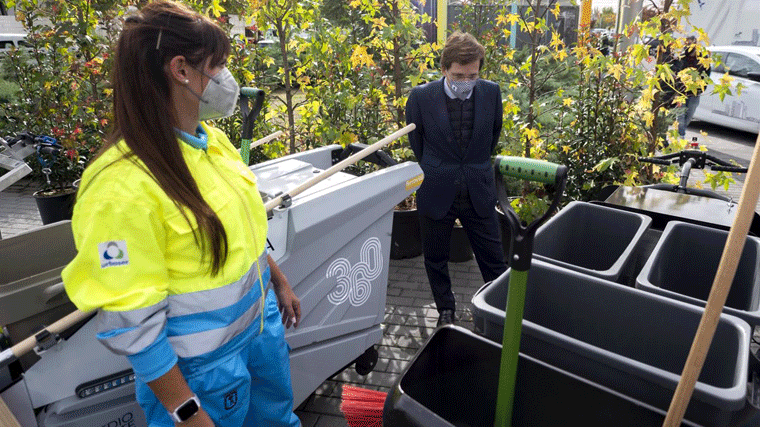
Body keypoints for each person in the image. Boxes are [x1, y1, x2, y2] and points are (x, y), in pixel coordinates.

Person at [61, 2, 301, 426]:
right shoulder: (120, 188)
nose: (227, 79)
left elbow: (242, 232)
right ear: (181, 70)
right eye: (219, 65)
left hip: (258, 339)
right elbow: (131, 324)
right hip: (201, 375)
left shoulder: (211, 142)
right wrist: (187, 413)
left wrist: (277, 282)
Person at [405, 31, 507, 327]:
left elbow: (493, 135)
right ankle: (445, 310)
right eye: (459, 75)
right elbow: (418, 144)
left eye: (472, 75)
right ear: (444, 70)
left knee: (494, 260)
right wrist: (440, 168)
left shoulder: (491, 92)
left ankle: (497, 311)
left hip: (478, 187)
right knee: (435, 257)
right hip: (437, 187)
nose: (466, 82)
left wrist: (472, 165)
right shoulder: (421, 97)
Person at [675, 35, 710, 139]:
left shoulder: (703, 58)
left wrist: (702, 87)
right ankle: (681, 135)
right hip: (681, 90)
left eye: (691, 43)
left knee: (689, 114)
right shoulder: (682, 57)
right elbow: (677, 71)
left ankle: (681, 132)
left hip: (695, 92)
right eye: (687, 44)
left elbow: (707, 74)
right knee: (680, 114)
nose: (689, 46)